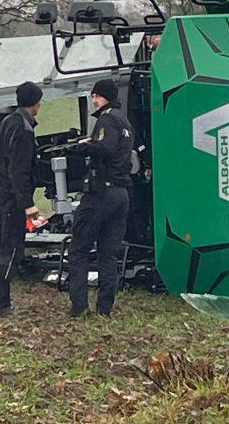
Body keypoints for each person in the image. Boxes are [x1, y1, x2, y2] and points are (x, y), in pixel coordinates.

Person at [68, 79, 133, 317]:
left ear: (105, 97)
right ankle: (105, 308)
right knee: (108, 253)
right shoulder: (125, 122)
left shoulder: (107, 119)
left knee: (80, 249)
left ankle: (79, 306)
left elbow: (105, 148)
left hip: (101, 193)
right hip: (121, 193)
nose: (93, 100)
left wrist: (84, 146)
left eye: (96, 96)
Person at [0, 81, 42, 316]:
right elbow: (18, 171)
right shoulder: (23, 130)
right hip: (11, 199)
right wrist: (27, 204)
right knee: (10, 250)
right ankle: (2, 304)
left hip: (0, 193)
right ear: (36, 103)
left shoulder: (8, 122)